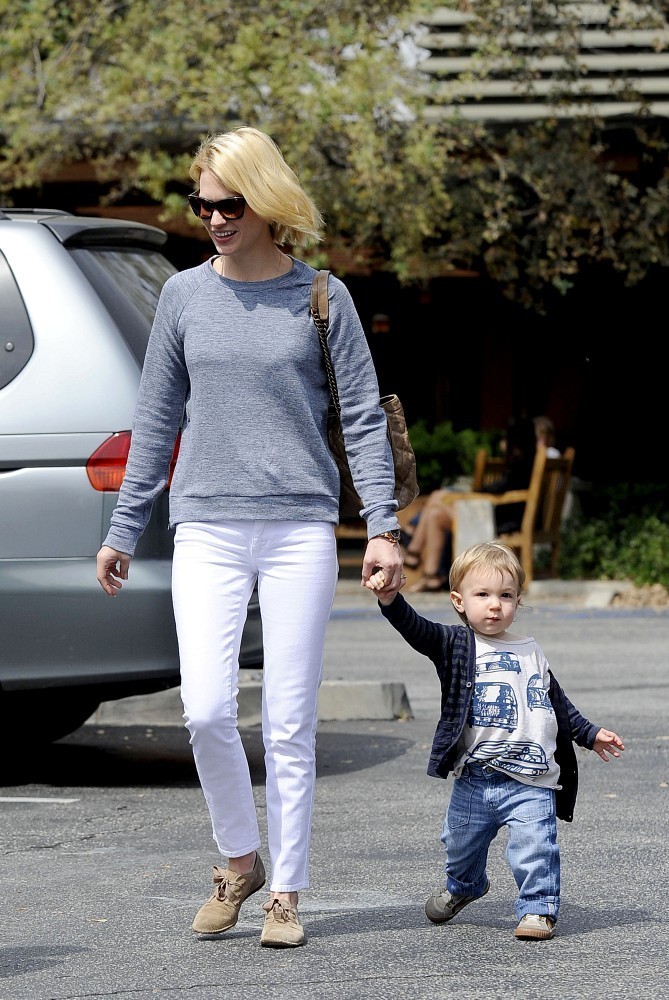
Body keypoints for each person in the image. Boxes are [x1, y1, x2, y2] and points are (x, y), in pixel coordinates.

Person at [95, 125, 404, 949]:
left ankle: (286, 895)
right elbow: (156, 419)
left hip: (300, 525)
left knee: (290, 724)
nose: (214, 218)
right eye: (202, 204)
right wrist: (124, 527)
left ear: (265, 201)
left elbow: (362, 420)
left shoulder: (323, 297)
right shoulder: (183, 297)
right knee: (204, 711)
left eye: (230, 203)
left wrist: (382, 527)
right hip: (206, 524)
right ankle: (240, 860)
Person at [365, 541, 624, 940]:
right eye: (482, 595)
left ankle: (538, 909)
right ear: (459, 600)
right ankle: (465, 885)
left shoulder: (530, 650)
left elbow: (556, 703)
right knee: (459, 845)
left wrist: (589, 733)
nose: (494, 606)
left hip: (531, 778)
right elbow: (416, 629)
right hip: (476, 779)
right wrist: (390, 600)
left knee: (536, 846)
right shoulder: (454, 644)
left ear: (518, 600)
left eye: (505, 596)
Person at [404, 415, 538, 592]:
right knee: (436, 507)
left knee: (437, 506)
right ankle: (430, 574)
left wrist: (474, 493)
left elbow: (502, 488)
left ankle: (419, 556)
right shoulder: (531, 459)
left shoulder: (521, 462)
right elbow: (503, 486)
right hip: (503, 514)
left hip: (502, 520)